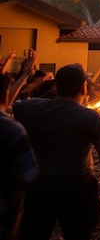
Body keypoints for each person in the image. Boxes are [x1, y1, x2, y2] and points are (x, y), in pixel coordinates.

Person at [12, 63, 100, 240]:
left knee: (34, 233)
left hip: (40, 186)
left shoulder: (30, 108)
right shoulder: (90, 117)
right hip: (76, 186)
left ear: (57, 86)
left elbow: (9, 104)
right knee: (78, 233)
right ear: (84, 87)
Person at [0, 55, 38, 240]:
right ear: (6, 94)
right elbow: (29, 175)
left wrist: (25, 74)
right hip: (5, 206)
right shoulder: (12, 129)